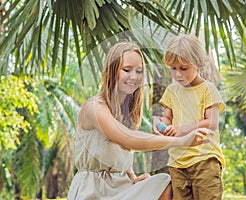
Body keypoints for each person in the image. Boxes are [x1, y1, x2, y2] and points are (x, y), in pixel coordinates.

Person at [67, 41, 213, 200]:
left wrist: (132, 178)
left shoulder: (125, 114)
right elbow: (127, 138)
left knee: (165, 183)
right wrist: (181, 141)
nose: (134, 76)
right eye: (127, 70)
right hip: (93, 190)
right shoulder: (94, 108)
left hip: (120, 185)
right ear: (111, 70)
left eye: (139, 71)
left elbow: (120, 151)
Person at [153, 34, 226, 200]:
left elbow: (212, 122)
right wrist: (160, 125)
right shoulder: (171, 91)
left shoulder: (207, 89)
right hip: (177, 162)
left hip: (205, 159)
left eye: (184, 68)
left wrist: (181, 129)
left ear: (199, 65)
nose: (178, 74)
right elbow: (167, 119)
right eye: (173, 68)